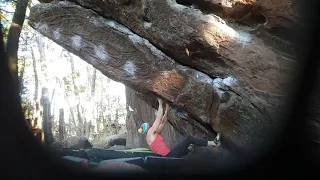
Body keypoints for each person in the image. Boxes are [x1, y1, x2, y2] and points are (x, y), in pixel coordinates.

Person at [138, 98, 221, 158]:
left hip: (169, 155)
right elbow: (158, 119)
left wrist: (166, 109)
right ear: (149, 128)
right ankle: (214, 143)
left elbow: (162, 122)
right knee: (189, 139)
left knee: (186, 144)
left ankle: (189, 149)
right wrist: (160, 103)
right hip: (168, 157)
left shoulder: (154, 135)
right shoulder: (150, 134)